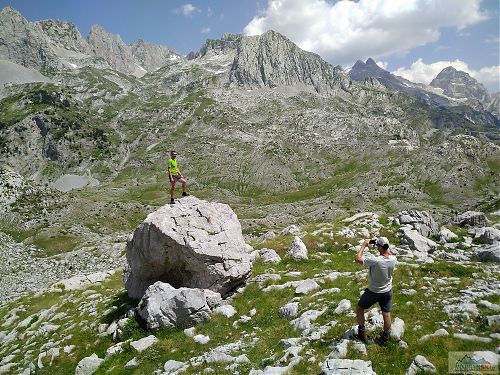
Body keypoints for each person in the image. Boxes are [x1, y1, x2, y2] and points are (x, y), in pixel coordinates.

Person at [354, 237, 397, 345]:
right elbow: (388, 252)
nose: (376, 247)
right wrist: (383, 245)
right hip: (387, 291)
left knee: (359, 308)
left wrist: (364, 245)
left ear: (380, 247)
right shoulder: (393, 259)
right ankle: (385, 337)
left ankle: (362, 333)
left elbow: (357, 259)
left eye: (377, 245)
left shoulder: (375, 260)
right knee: (386, 314)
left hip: (374, 291)